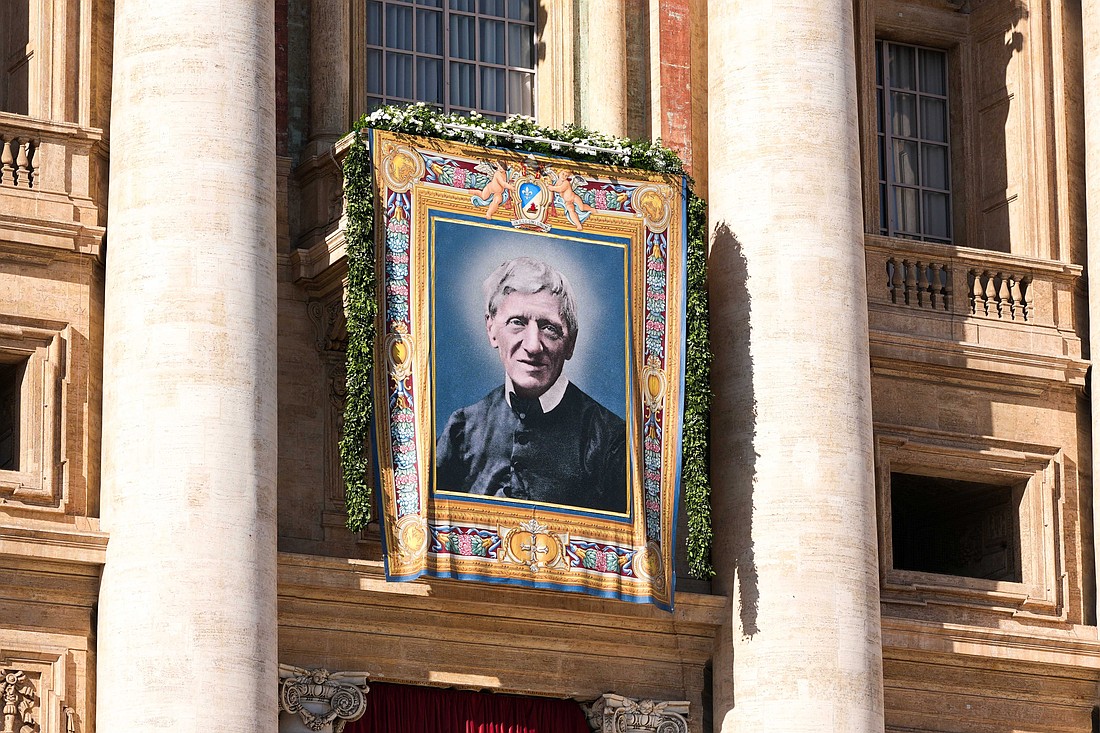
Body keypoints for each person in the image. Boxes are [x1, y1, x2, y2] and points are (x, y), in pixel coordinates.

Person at [436, 256, 628, 513]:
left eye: (549, 328)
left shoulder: (611, 440)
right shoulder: (462, 429)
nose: (533, 345)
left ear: (570, 342)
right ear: (491, 329)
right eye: (517, 323)